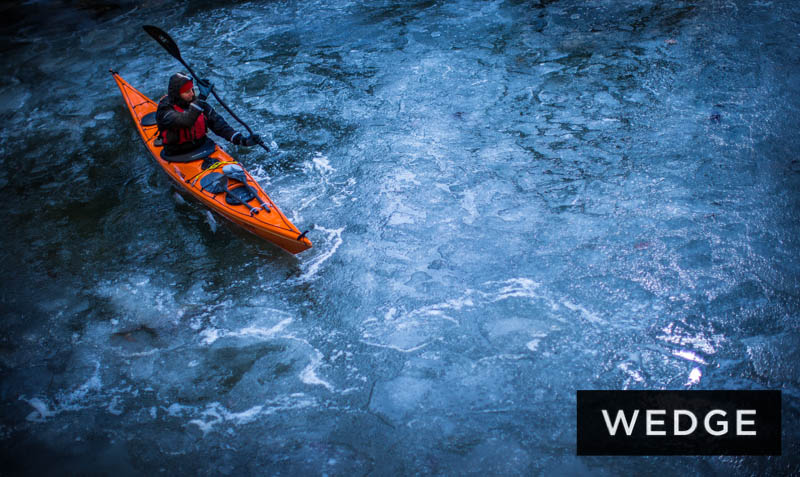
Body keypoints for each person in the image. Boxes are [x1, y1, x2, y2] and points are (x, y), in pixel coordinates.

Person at [156, 72, 261, 156]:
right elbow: (185, 121)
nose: (192, 94)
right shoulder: (165, 110)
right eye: (187, 92)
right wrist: (201, 99)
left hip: (203, 148)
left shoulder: (198, 104)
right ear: (177, 94)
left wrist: (243, 141)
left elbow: (221, 127)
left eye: (192, 89)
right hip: (176, 154)